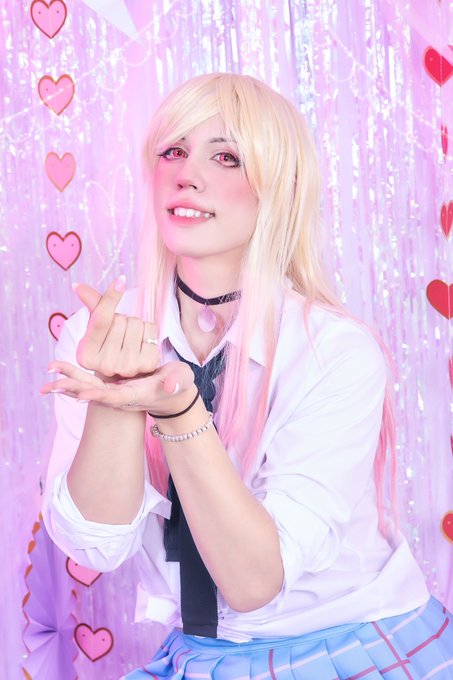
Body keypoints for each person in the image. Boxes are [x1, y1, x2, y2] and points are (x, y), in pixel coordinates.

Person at [41, 73, 453, 679]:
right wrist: (114, 403)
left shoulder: (333, 352)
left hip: (350, 646)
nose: (186, 174)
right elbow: (95, 546)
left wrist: (179, 413)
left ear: (278, 188)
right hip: (205, 656)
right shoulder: (102, 332)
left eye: (227, 157)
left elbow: (254, 581)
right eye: (172, 151)